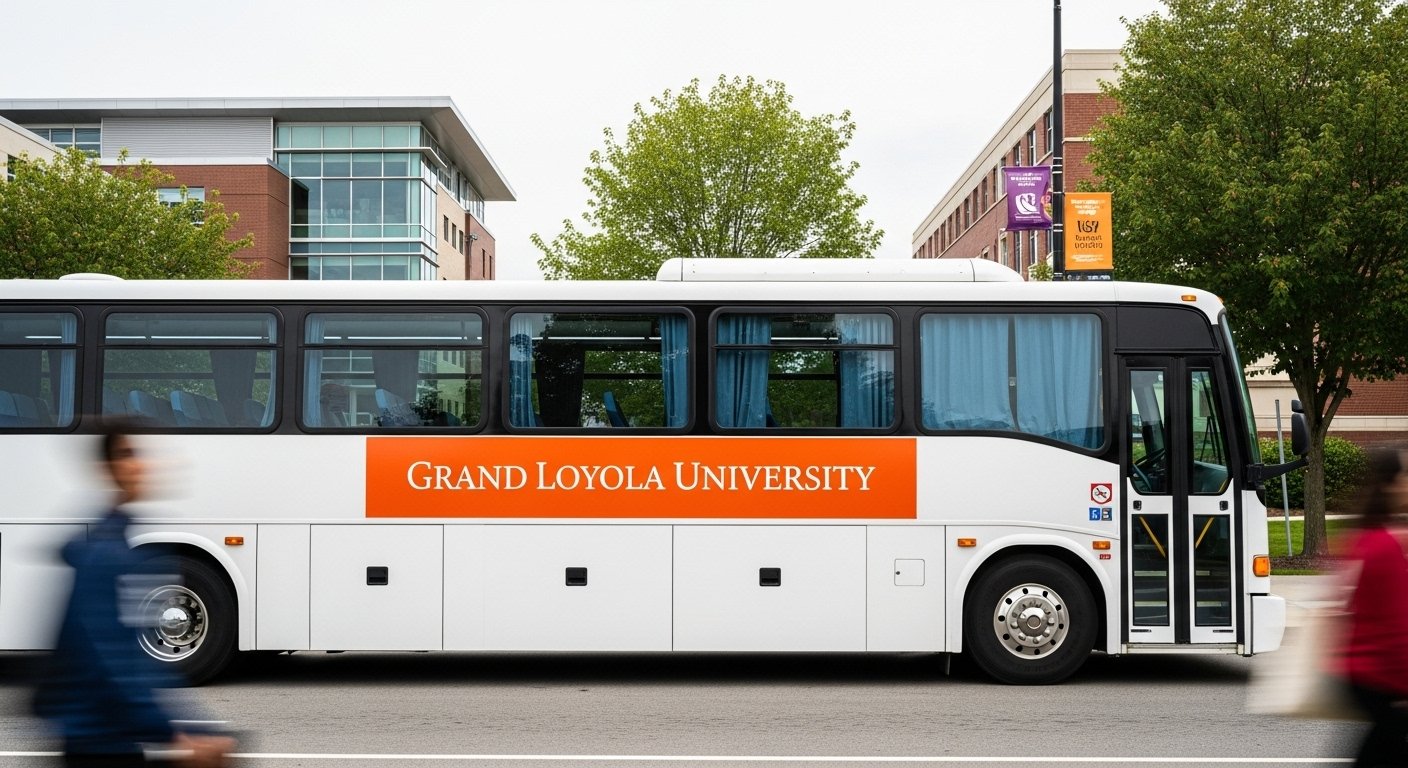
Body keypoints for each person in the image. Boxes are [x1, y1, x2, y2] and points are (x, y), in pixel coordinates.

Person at [32, 418, 235, 768]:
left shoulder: (123, 549)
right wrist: (177, 734)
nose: (143, 464)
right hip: (99, 743)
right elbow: (112, 663)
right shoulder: (107, 556)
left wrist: (189, 729)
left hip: (108, 736)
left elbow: (134, 664)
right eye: (130, 454)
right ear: (108, 468)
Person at [1337, 447, 1408, 768]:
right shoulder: (1385, 545)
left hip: (1363, 673)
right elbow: (1398, 626)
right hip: (1381, 676)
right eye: (1406, 476)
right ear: (1390, 484)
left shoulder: (1366, 537)